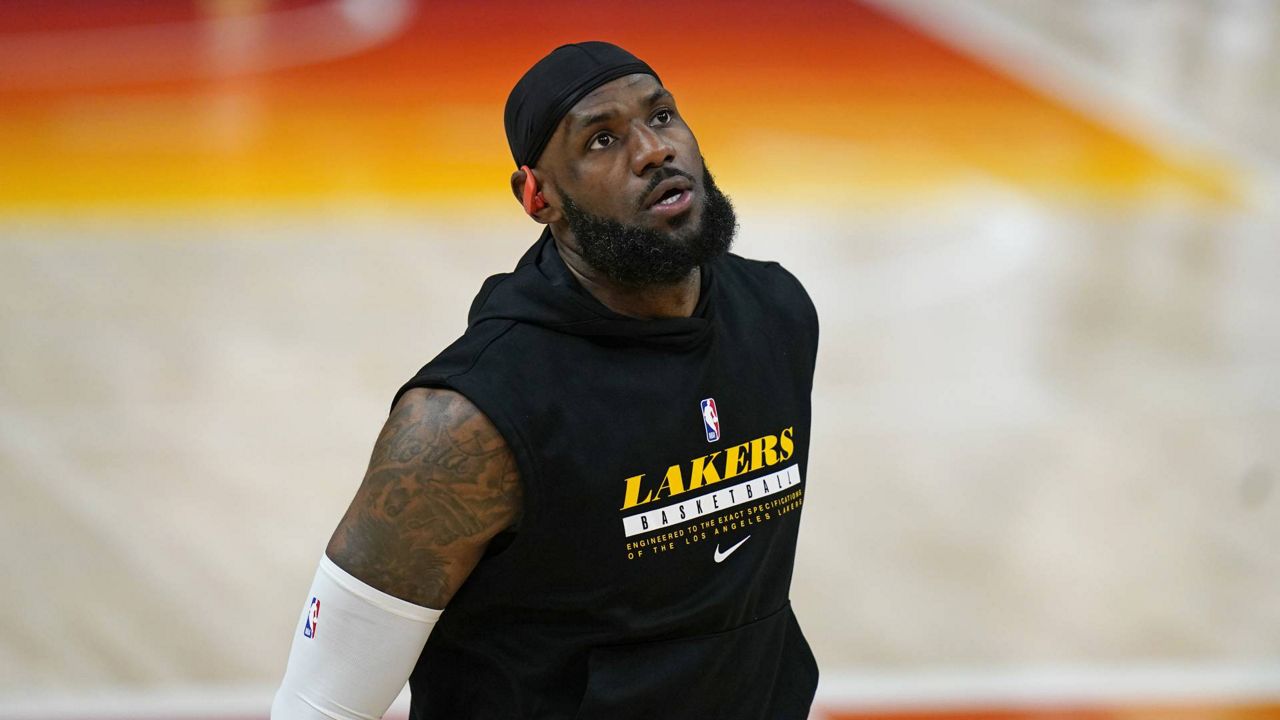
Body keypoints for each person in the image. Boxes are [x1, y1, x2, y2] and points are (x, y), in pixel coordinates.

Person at [272, 41, 820, 720]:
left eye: (663, 116)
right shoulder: (465, 424)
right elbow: (320, 704)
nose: (653, 151)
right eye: (602, 139)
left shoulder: (776, 313)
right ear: (538, 195)